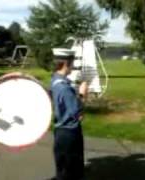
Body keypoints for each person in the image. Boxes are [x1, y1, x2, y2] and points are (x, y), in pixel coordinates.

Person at [50, 48, 88, 180]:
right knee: (71, 172)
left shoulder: (55, 79)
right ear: (66, 64)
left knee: (64, 168)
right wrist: (83, 94)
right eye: (72, 63)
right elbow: (79, 114)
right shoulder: (64, 87)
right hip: (69, 133)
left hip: (61, 131)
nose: (73, 66)